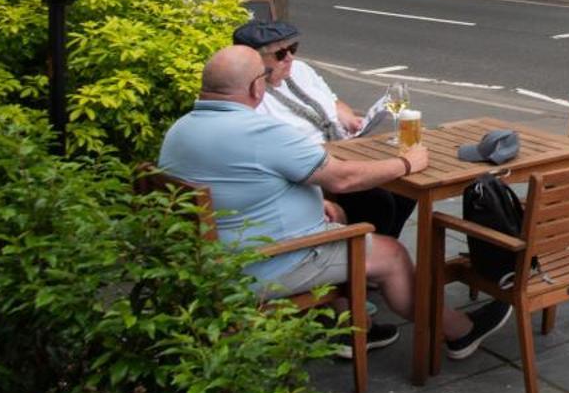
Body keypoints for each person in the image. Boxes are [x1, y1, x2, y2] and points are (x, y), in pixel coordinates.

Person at [159, 46, 511, 357]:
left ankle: (350, 327)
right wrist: (408, 163)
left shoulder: (179, 131)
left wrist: (314, 203)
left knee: (338, 213)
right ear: (255, 87)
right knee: (392, 254)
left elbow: (243, 184)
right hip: (264, 264)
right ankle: (459, 332)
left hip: (209, 259)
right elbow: (343, 177)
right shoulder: (261, 133)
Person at [237, 20, 416, 241]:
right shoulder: (252, 96)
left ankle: (383, 248)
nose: (290, 58)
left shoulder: (300, 70)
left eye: (292, 49)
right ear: (254, 61)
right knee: (378, 200)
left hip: (346, 149)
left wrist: (349, 118)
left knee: (408, 190)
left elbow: (333, 101)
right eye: (280, 54)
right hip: (311, 167)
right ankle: (368, 257)